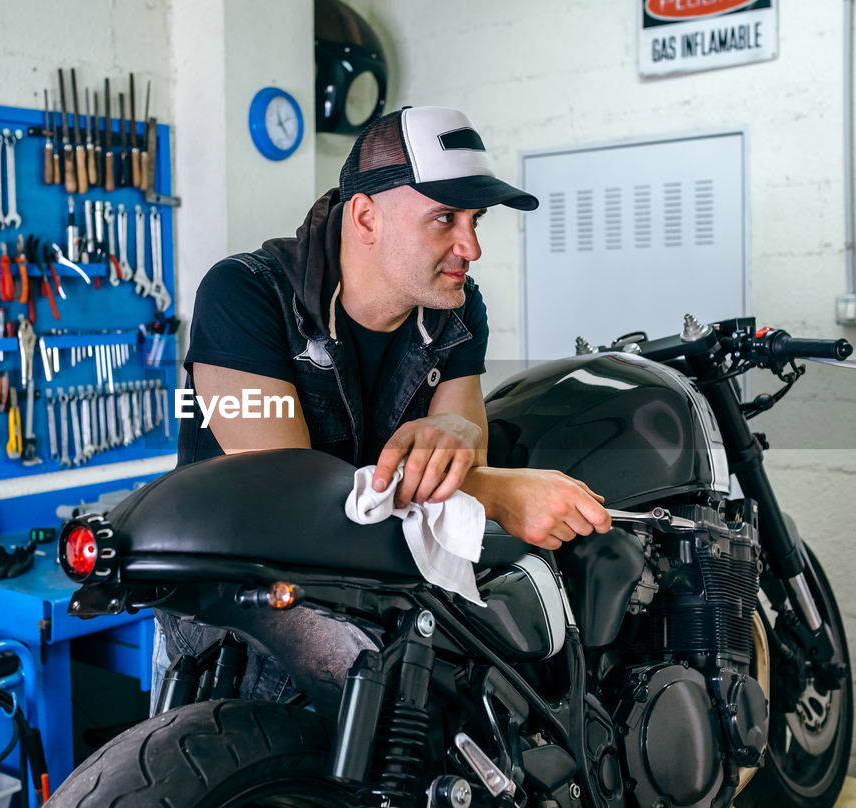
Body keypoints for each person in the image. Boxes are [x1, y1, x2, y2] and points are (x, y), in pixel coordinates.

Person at [156, 106, 612, 715]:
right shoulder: (245, 294)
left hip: (363, 585)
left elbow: (463, 449)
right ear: (366, 215)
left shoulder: (454, 308)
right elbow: (284, 499)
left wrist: (454, 432)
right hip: (232, 600)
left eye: (475, 220)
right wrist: (500, 493)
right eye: (445, 218)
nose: (470, 246)